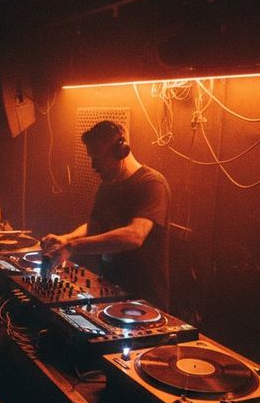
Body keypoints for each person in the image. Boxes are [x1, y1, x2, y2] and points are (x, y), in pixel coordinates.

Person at [42, 120, 170, 309]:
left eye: (98, 157)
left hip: (144, 298)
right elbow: (94, 227)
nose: (93, 165)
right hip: (110, 290)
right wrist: (65, 239)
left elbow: (135, 235)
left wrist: (72, 246)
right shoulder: (107, 185)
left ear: (121, 151)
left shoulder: (151, 184)